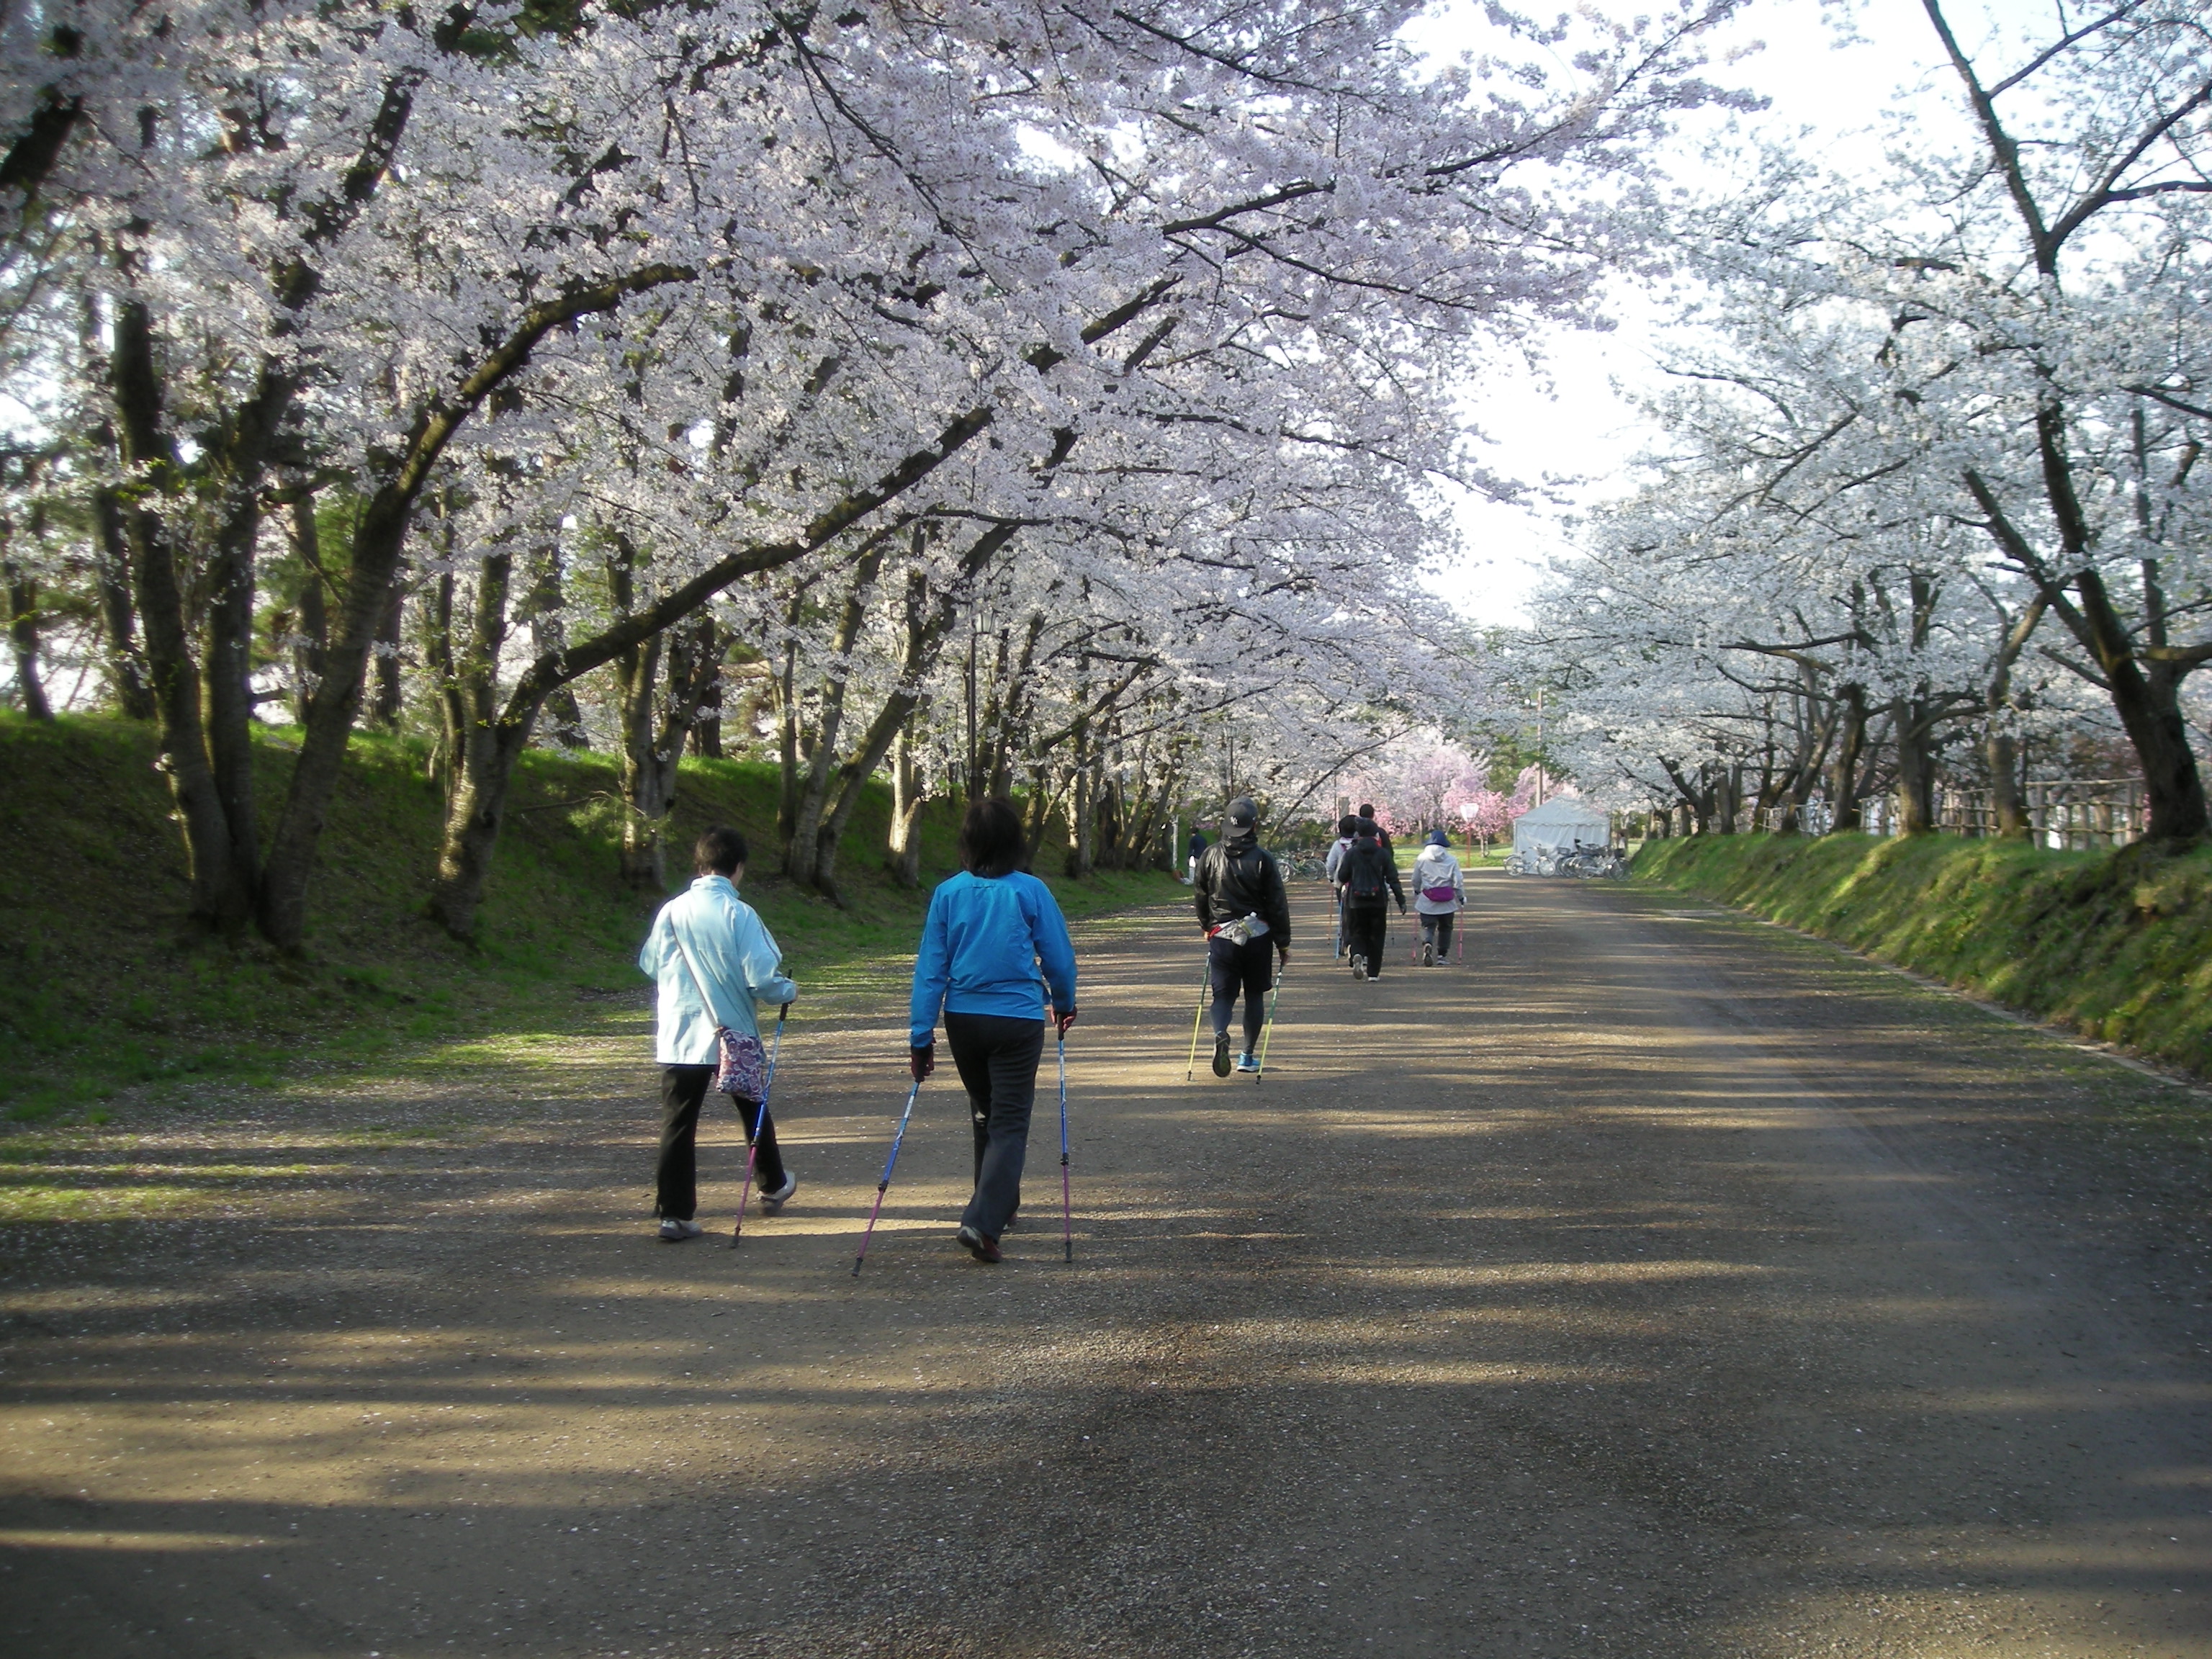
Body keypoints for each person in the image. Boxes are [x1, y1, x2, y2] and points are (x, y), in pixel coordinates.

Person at [909, 797, 1078, 1264]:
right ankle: (983, 1220)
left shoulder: (948, 894)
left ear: (967, 844)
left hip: (964, 1019)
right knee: (1007, 1122)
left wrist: (920, 1037)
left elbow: (930, 969)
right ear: (1015, 843)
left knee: (986, 1112)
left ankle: (1000, 1205)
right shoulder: (1031, 891)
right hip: (1018, 1020)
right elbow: (1059, 958)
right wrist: (1064, 1003)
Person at [637, 827, 799, 1241]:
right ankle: (772, 1183)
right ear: (738, 868)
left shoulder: (670, 911)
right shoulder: (739, 914)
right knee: (752, 1107)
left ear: (700, 863)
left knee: (677, 1122)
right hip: (733, 1033)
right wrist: (789, 991)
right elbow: (761, 978)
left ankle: (674, 1214)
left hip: (679, 1034)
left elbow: (651, 964)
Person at [1192, 796, 1292, 1075]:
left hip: (1222, 935)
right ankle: (1246, 1057)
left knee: (1222, 995)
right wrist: (1283, 943)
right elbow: (1276, 903)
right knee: (1254, 995)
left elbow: (1201, 894)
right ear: (1254, 825)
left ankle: (1221, 1032)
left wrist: (1205, 925)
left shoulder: (1209, 855)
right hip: (1257, 936)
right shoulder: (1263, 859)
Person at [1337, 813, 1404, 980]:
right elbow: (1393, 878)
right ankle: (1373, 973)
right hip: (1378, 900)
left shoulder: (1351, 854)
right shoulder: (1383, 854)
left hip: (1356, 900)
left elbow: (1342, 876)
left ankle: (1358, 954)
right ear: (1376, 835)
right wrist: (1400, 900)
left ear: (1358, 835)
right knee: (1377, 935)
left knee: (1358, 932)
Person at [1411, 829, 1466, 966]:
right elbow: (1458, 881)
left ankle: (1427, 942)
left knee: (1427, 926)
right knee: (1446, 929)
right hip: (1447, 901)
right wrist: (1461, 897)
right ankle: (1442, 956)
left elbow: (1416, 878)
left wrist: (1417, 890)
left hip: (1427, 900)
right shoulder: (1452, 860)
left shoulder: (1422, 858)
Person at [1323, 814, 1361, 958]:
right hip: (1360, 884)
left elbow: (1330, 865)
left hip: (1343, 885)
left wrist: (1332, 879)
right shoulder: (1360, 844)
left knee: (1346, 915)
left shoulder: (1338, 846)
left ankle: (1346, 943)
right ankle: (1358, 945)